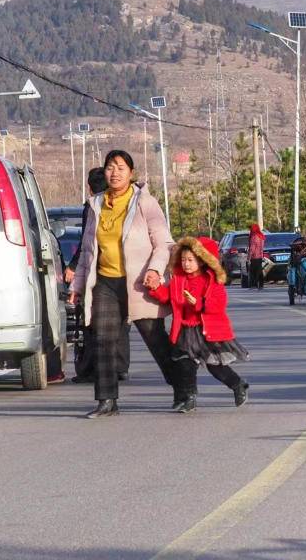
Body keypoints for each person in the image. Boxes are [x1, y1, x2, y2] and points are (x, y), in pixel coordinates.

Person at [70, 150, 175, 419]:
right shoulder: (95, 205)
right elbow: (86, 250)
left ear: (131, 173)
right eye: (109, 167)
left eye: (120, 167)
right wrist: (78, 286)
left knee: (155, 339)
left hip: (139, 282)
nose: (114, 172)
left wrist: (155, 270)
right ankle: (107, 400)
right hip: (105, 281)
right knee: (103, 340)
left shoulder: (145, 203)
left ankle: (184, 387)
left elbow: (163, 243)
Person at [149, 236, 249, 413]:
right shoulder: (179, 279)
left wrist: (198, 303)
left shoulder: (212, 281)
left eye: (191, 260)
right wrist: (156, 288)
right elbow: (168, 298)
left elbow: (218, 305)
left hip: (206, 331)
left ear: (202, 261)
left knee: (215, 367)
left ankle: (238, 385)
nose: (186, 264)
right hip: (186, 331)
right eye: (183, 260)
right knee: (185, 365)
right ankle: (190, 398)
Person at [66, 168, 131, 385]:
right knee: (122, 323)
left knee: (94, 323)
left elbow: (86, 243)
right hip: (124, 271)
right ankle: (119, 367)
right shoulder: (123, 202)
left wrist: (74, 268)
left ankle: (91, 369)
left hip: (100, 272)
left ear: (90, 186)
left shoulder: (93, 206)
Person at [247, 223, 265, 290]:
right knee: (259, 271)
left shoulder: (254, 236)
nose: (250, 230)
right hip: (260, 256)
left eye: (250, 229)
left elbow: (252, 248)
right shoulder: (261, 236)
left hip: (254, 256)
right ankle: (261, 285)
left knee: (253, 271)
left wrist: (249, 258)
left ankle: (253, 285)